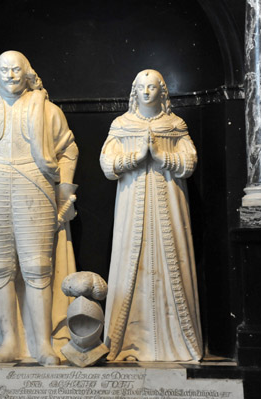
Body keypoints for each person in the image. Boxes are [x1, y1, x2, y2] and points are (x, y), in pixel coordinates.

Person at [0, 50, 78, 365]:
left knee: (38, 268)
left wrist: (64, 192)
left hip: (34, 186)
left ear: (28, 74)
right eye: (5, 70)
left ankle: (42, 344)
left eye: (17, 69)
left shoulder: (48, 111)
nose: (11, 75)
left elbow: (68, 149)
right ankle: (9, 341)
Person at [100, 69, 203, 362]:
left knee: (172, 262)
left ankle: (178, 342)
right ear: (135, 91)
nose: (147, 92)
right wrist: (134, 158)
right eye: (142, 87)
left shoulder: (174, 124)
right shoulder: (121, 124)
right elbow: (107, 164)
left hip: (170, 205)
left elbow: (190, 161)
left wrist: (161, 157)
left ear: (162, 91)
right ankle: (129, 340)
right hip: (132, 205)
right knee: (131, 260)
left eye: (152, 87)